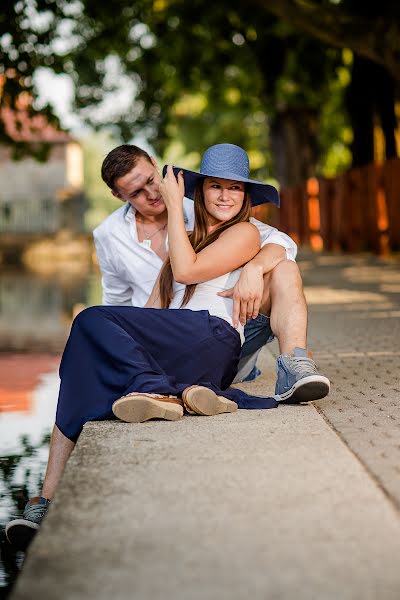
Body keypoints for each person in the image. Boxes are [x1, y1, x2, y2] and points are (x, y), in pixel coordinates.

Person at [6, 144, 330, 550]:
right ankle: (46, 500)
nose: (225, 195)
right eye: (215, 187)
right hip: (185, 350)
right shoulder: (168, 239)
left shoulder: (242, 232)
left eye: (234, 188)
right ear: (202, 191)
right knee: (83, 365)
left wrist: (253, 265)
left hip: (213, 335)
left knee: (90, 319)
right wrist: (108, 348)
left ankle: (157, 385)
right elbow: (147, 312)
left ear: (246, 196)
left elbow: (203, 265)